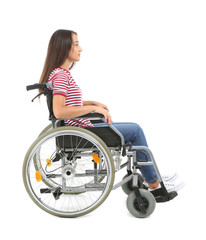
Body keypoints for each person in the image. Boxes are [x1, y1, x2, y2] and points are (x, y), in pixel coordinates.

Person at [39, 29, 184, 193]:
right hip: (84, 130)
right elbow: (59, 111)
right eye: (77, 44)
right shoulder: (60, 75)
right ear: (64, 47)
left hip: (84, 127)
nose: (81, 49)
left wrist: (92, 103)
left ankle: (153, 177)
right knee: (135, 131)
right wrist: (93, 108)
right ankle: (154, 184)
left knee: (133, 127)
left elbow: (70, 104)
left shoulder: (61, 74)